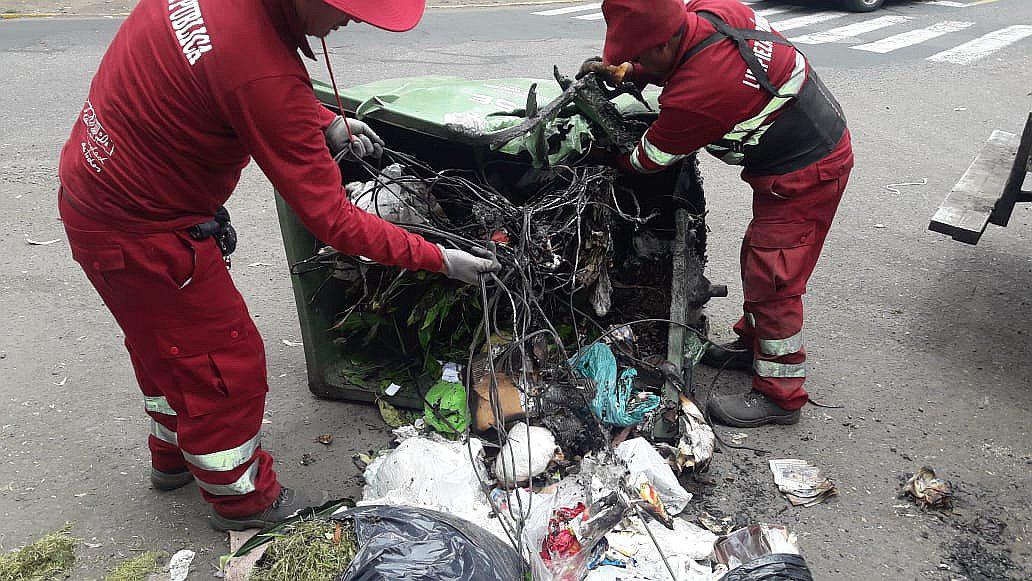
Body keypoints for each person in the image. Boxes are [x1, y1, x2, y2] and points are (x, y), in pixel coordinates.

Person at [58, 0, 498, 531]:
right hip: (144, 235)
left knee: (166, 348)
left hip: (95, 190)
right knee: (225, 367)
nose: (352, 20)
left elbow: (228, 75)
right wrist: (440, 259)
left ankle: (173, 458)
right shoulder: (264, 71)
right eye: (347, 10)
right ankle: (242, 501)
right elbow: (334, 221)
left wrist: (323, 122)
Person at [582, 0, 853, 428]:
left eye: (639, 54)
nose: (634, 60)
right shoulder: (712, 10)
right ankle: (752, 346)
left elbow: (648, 159)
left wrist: (601, 156)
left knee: (774, 275)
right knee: (758, 258)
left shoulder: (698, 95)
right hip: (798, 151)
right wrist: (631, 72)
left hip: (809, 171)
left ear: (665, 40)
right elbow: (681, 56)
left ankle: (781, 396)